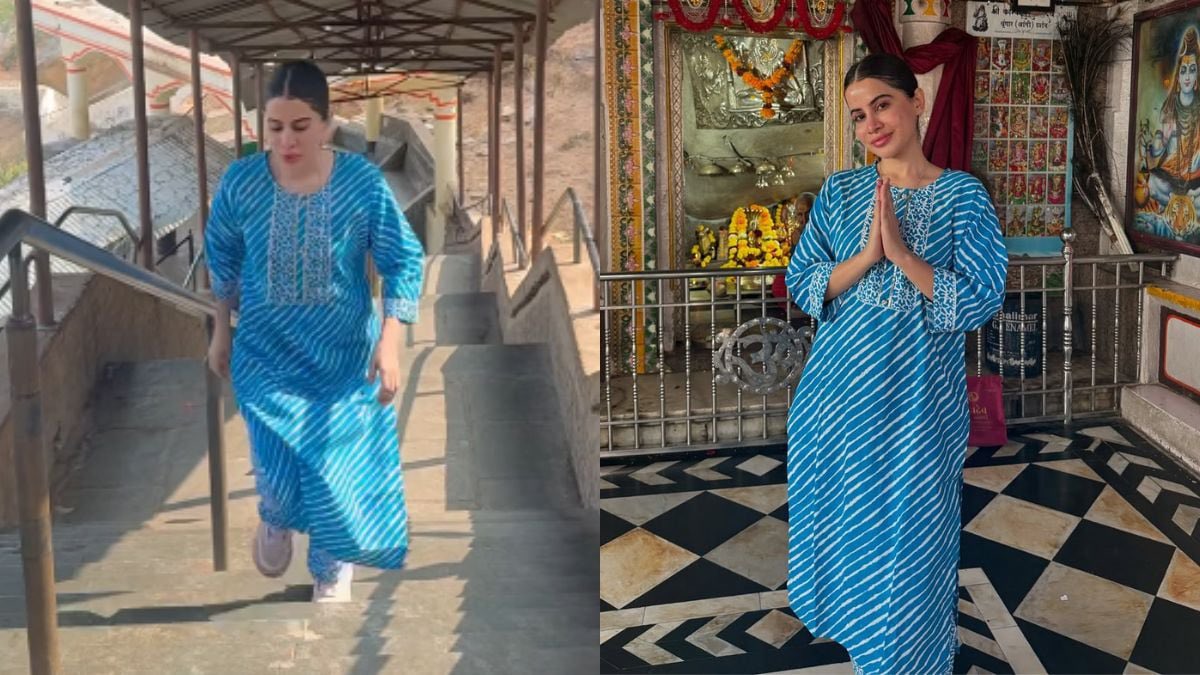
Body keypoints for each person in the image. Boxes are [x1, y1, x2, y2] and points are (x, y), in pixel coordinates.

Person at [783, 53, 1008, 674]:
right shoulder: (840, 191)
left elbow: (983, 298)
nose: (872, 124)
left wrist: (904, 255)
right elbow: (803, 281)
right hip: (836, 401)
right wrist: (865, 257)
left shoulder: (963, 195)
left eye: (882, 104)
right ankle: (856, 632)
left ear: (917, 103)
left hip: (915, 406)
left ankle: (906, 653)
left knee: (912, 533)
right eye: (858, 116)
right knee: (845, 525)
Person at [204, 60, 425, 603]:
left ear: (327, 123)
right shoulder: (242, 182)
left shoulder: (360, 184)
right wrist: (219, 330)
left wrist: (391, 344)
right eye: (274, 127)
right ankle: (275, 518)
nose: (286, 140)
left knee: (335, 475)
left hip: (343, 360)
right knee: (277, 476)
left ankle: (330, 566)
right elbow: (224, 260)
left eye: (300, 126)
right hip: (264, 355)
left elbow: (403, 260)